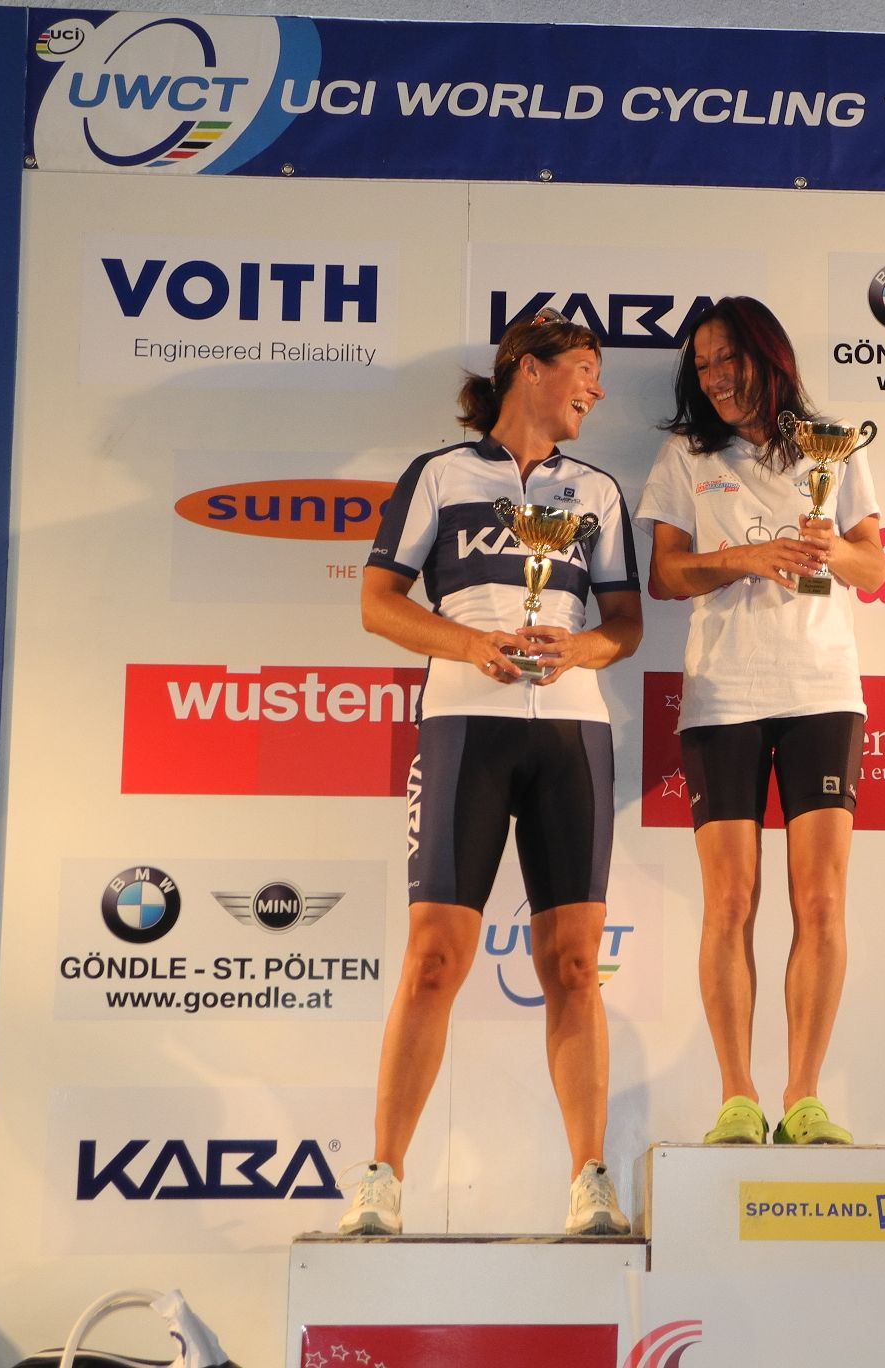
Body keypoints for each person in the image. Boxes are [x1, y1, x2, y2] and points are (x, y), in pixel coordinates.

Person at [338, 308, 642, 1237]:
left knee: (576, 965)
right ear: (528, 368)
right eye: (583, 367)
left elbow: (625, 627)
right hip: (465, 724)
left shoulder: (597, 490)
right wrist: (471, 643)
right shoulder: (440, 474)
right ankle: (383, 1180)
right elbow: (378, 603)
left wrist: (579, 647)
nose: (596, 388)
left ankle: (590, 1179)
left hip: (572, 736)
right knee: (434, 959)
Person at [636, 297, 885, 1147]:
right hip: (722, 697)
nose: (714, 378)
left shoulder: (833, 443)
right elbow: (665, 576)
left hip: (822, 690)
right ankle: (737, 1097)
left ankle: (804, 1097)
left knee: (821, 898)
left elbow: (874, 568)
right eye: (702, 365)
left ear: (766, 357)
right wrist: (748, 557)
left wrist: (827, 549)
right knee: (731, 899)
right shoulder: (686, 455)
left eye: (728, 360)